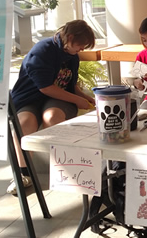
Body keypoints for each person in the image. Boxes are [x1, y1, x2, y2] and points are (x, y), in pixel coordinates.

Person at [8, 19, 96, 195]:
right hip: (29, 98)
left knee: (52, 117)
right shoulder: (42, 50)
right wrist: (78, 101)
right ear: (69, 37)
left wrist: (88, 98)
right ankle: (23, 173)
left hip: (57, 98)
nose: (82, 49)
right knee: (24, 123)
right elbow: (46, 87)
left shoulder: (72, 55)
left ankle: (63, 169)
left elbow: (70, 84)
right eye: (81, 44)